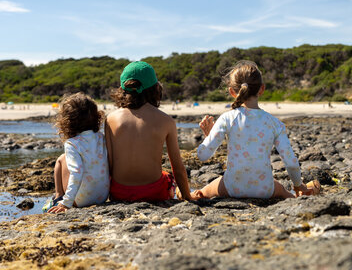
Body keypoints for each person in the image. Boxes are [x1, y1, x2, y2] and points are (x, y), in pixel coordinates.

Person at [192, 60, 320, 200]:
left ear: (231, 91)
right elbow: (290, 161)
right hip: (264, 189)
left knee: (203, 191)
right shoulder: (274, 123)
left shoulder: (227, 118)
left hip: (233, 187)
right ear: (262, 89)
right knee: (283, 192)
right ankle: (300, 193)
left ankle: (190, 194)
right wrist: (297, 184)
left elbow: (203, 155)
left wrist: (209, 136)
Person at [105, 61, 197, 202]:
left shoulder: (111, 119)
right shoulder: (166, 121)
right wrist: (187, 197)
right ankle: (180, 193)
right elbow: (177, 168)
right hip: (154, 192)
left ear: (123, 89)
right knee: (167, 176)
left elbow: (109, 164)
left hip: (119, 193)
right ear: (155, 88)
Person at [44, 93, 110, 213]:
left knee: (61, 159)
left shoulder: (72, 143)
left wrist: (66, 203)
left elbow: (76, 173)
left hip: (81, 200)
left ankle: (58, 196)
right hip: (102, 196)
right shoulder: (101, 137)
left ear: (67, 122)